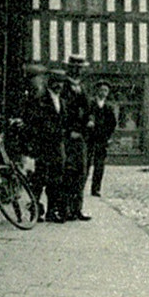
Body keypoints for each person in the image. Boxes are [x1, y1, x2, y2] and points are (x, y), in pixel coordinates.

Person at [19, 63, 62, 222]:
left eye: (62, 82)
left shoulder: (60, 100)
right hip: (42, 144)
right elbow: (35, 121)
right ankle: (36, 211)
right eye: (56, 81)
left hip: (57, 146)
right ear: (49, 81)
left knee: (55, 180)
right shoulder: (40, 98)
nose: (59, 85)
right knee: (39, 179)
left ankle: (52, 211)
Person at [56, 65, 93, 221]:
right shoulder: (63, 88)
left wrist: (90, 119)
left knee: (81, 173)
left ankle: (77, 209)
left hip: (81, 137)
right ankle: (64, 209)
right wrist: (70, 130)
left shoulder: (81, 87)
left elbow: (88, 108)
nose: (78, 72)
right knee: (67, 173)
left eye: (80, 69)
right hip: (68, 137)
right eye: (75, 68)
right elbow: (62, 113)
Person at [87, 81, 119, 197]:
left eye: (106, 91)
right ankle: (81, 186)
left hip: (102, 139)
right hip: (89, 138)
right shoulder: (90, 103)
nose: (103, 93)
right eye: (101, 90)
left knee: (99, 165)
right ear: (97, 91)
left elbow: (112, 123)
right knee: (86, 163)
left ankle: (95, 189)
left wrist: (108, 136)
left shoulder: (109, 106)